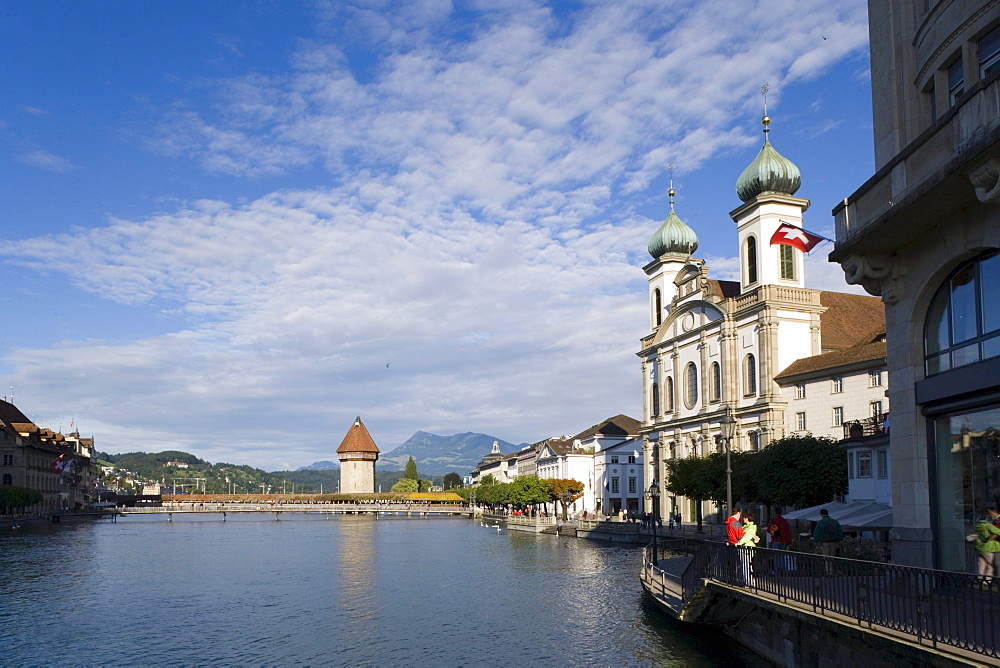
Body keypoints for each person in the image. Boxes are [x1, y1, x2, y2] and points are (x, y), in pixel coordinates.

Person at [975, 508, 1000, 583]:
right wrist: (995, 534)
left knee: (982, 564)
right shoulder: (988, 525)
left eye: (990, 513)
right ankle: (988, 580)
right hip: (990, 547)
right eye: (988, 514)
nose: (989, 515)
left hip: (980, 547)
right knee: (991, 565)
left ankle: (980, 579)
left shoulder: (977, 525)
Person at [737, 512, 760, 584]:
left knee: (746, 565)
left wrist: (739, 543)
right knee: (746, 565)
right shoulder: (746, 526)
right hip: (744, 547)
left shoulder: (751, 527)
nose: (743, 519)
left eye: (744, 518)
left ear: (747, 519)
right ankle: (747, 580)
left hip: (748, 548)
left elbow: (747, 536)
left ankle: (748, 582)